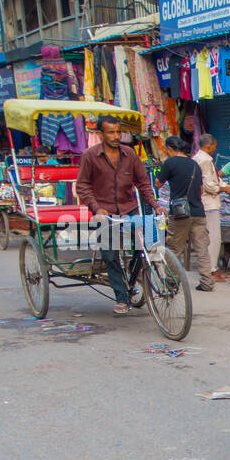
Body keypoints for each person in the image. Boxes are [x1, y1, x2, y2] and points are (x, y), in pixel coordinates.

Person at [75, 114, 161, 315]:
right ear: (101, 134)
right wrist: (96, 208)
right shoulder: (90, 156)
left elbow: (143, 183)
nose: (116, 136)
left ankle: (134, 274)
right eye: (111, 132)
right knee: (110, 254)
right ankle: (121, 297)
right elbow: (83, 186)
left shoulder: (130, 154)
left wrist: (156, 205)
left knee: (148, 243)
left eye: (118, 132)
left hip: (129, 208)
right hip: (104, 212)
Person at [156, 136, 214, 293]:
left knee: (175, 248)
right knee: (202, 249)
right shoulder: (195, 164)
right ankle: (207, 282)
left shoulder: (170, 163)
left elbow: (157, 183)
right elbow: (201, 190)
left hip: (180, 212)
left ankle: (172, 282)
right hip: (199, 212)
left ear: (169, 148)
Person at [193, 134, 230, 279]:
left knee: (210, 238)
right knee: (213, 238)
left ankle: (211, 268)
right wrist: (224, 189)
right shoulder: (204, 160)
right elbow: (209, 185)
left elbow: (214, 180)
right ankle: (211, 270)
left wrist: (227, 187)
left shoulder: (201, 158)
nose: (216, 148)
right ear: (209, 146)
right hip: (208, 203)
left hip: (206, 203)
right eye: (215, 146)